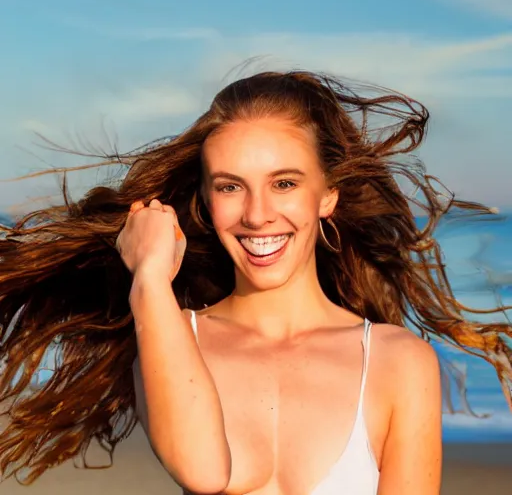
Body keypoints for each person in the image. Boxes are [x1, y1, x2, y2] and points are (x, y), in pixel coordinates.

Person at [0, 70, 511, 494]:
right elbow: (204, 470)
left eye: (284, 183)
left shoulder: (400, 363)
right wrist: (149, 280)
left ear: (327, 196)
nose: (258, 215)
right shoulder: (171, 333)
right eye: (230, 187)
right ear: (205, 199)